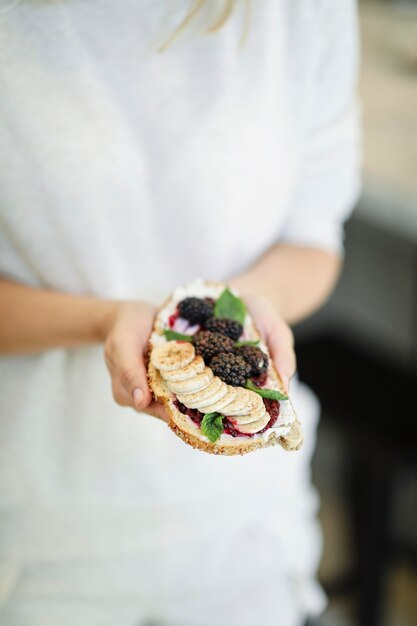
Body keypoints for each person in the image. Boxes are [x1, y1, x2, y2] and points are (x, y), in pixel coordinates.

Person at [0, 1, 360, 624]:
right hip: (42, 536)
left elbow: (314, 239)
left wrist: (248, 307)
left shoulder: (304, 11)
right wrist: (100, 321)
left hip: (245, 529)